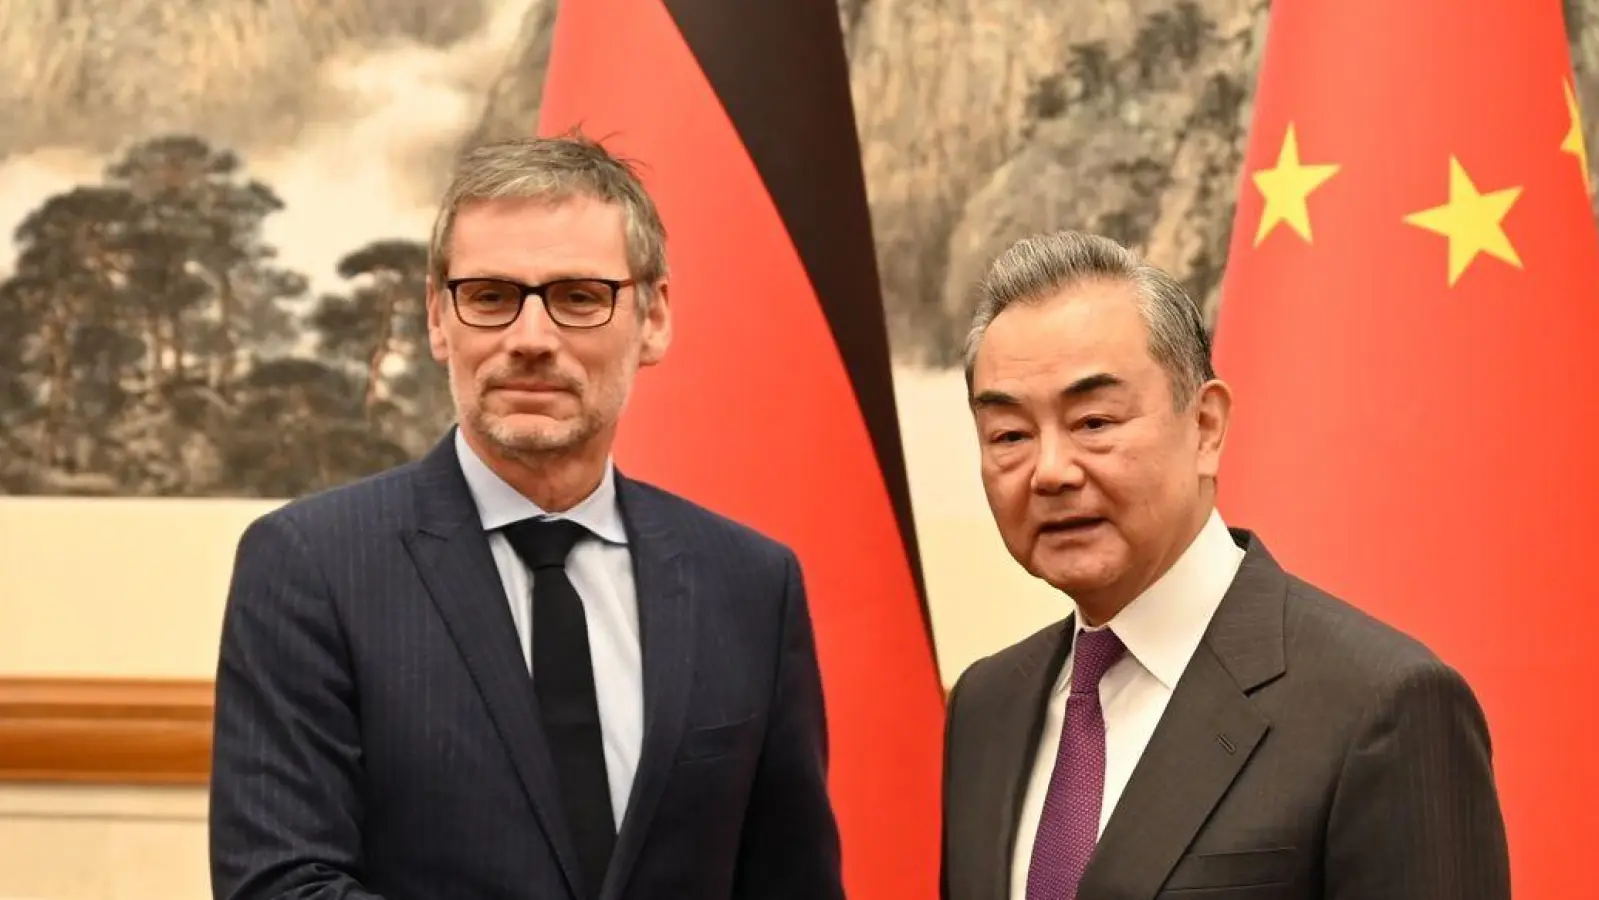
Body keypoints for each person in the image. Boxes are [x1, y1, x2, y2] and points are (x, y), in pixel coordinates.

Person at [208, 134, 844, 900]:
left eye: (579, 297)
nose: (531, 340)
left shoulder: (748, 583)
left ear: (653, 318)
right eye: (490, 297)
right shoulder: (311, 566)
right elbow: (281, 886)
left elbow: (790, 882)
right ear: (439, 320)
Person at [940, 230, 1510, 900]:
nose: (1051, 471)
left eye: (1093, 422)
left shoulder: (1380, 705)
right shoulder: (986, 705)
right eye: (1009, 435)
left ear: (1205, 426)